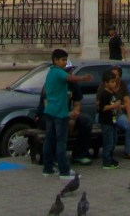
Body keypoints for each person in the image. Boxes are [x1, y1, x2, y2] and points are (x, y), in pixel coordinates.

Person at [42, 48, 92, 179]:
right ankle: (64, 171)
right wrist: (83, 77)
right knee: (61, 142)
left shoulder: (49, 73)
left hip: (50, 111)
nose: (65, 63)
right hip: (60, 112)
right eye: (63, 60)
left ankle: (48, 168)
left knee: (49, 140)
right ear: (55, 60)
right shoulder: (58, 72)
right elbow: (70, 77)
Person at [108, 66, 130, 160]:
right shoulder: (105, 85)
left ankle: (128, 151)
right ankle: (109, 153)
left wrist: (129, 116)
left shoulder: (123, 85)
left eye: (116, 75)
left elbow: (127, 101)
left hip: (118, 114)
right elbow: (100, 104)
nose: (114, 77)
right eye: (112, 75)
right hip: (106, 115)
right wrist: (118, 106)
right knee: (111, 128)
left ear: (119, 76)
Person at [97, 70, 122, 169]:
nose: (114, 84)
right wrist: (114, 106)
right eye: (111, 82)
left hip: (113, 120)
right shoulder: (104, 94)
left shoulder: (113, 94)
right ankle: (106, 161)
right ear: (106, 83)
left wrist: (118, 107)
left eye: (115, 81)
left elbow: (114, 104)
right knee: (108, 142)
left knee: (114, 140)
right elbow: (102, 108)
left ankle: (110, 158)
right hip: (106, 122)